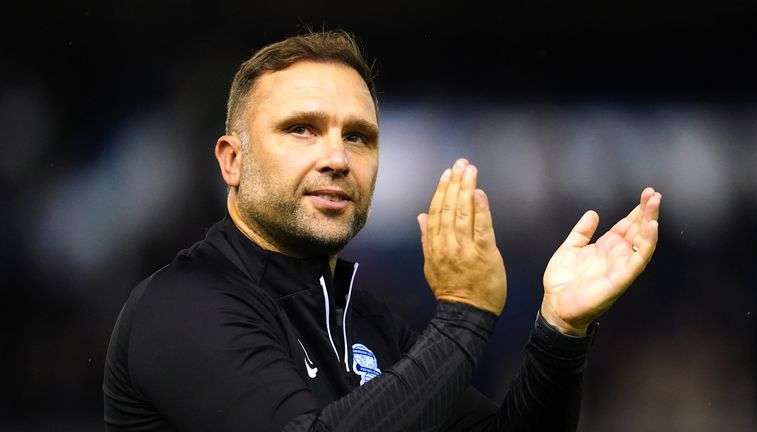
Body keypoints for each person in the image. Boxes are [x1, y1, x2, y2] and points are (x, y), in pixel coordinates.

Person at [103, 30, 662, 432]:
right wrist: (464, 315)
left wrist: (559, 333)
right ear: (232, 161)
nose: (337, 158)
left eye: (359, 137)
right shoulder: (182, 305)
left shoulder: (366, 321)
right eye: (301, 129)